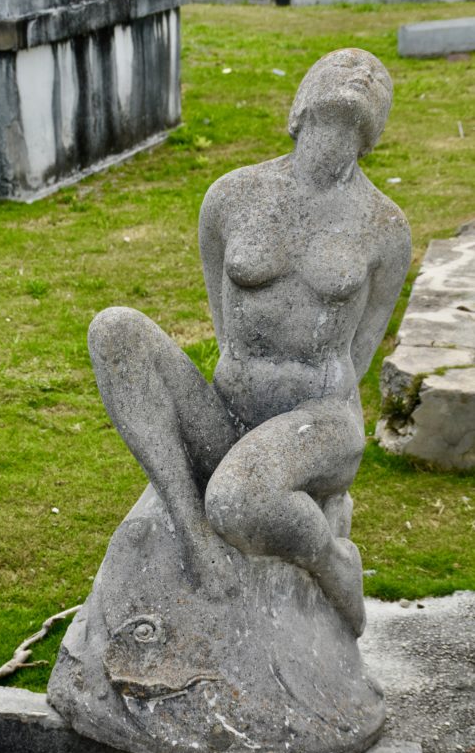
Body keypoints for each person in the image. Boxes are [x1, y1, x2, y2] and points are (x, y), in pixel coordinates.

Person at [88, 48, 411, 636]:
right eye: (344, 66)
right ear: (303, 99)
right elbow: (222, 314)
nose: (363, 73)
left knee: (238, 501)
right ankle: (190, 530)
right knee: (115, 330)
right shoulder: (231, 197)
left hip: (321, 421)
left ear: (379, 125)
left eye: (377, 76)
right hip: (233, 412)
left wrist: (310, 396)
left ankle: (331, 559)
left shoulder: (384, 227)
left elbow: (361, 349)